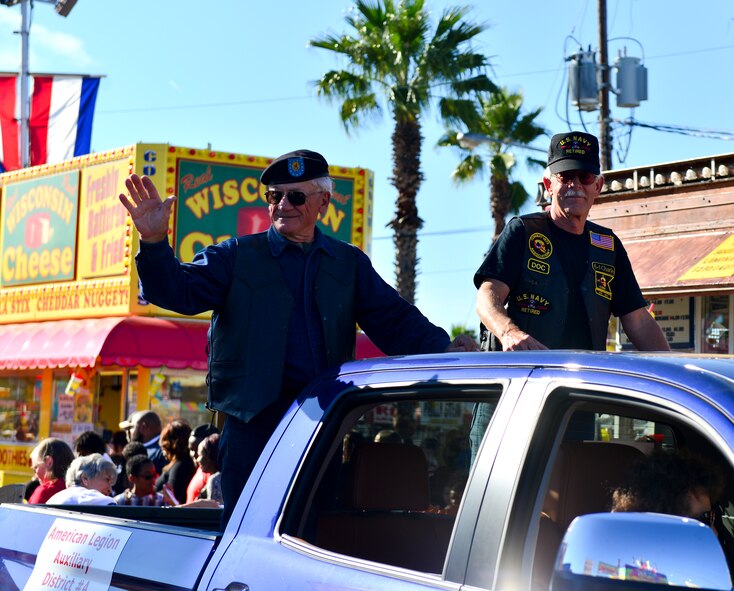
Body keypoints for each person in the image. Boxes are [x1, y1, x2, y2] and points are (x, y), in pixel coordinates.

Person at [119, 149, 478, 524]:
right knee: (248, 529)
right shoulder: (237, 256)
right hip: (251, 428)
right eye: (275, 196)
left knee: (312, 529)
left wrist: (443, 347)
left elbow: (393, 319)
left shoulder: (348, 263)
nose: (283, 205)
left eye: (296, 196)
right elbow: (177, 291)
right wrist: (155, 241)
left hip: (320, 425)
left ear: (323, 200)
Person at [474, 131, 669, 353]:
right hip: (526, 376)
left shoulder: (608, 246)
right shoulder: (523, 231)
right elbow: (486, 297)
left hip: (583, 381)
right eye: (565, 176)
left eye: (584, 177)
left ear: (598, 186)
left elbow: (638, 320)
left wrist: (675, 368)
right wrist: (509, 332)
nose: (574, 185)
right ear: (549, 185)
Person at [46, 453, 117, 506]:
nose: (110, 490)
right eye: (107, 480)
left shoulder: (54, 498)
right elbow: (112, 508)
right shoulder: (90, 497)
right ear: (85, 479)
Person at [155, 419, 196, 506]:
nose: (162, 447)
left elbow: (171, 496)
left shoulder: (181, 466)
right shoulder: (180, 464)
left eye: (164, 442)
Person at [27, 438, 75, 504]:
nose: (35, 476)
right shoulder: (81, 490)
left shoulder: (44, 492)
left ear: (48, 462)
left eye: (36, 468)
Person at [186, 423, 219, 504]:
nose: (194, 454)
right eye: (191, 449)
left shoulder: (214, 477)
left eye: (197, 450)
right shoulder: (200, 469)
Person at [196, 433, 222, 504]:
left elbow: (214, 511)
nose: (197, 460)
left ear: (210, 456)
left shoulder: (216, 480)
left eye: (200, 455)